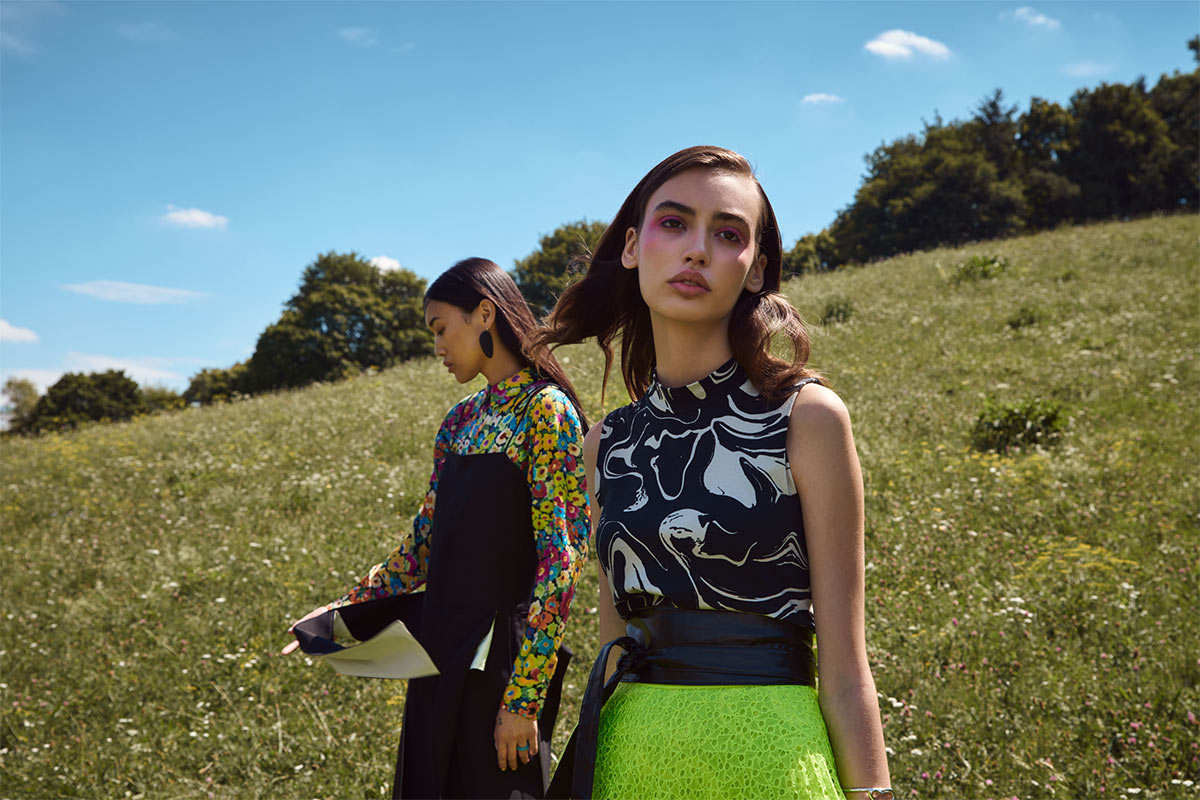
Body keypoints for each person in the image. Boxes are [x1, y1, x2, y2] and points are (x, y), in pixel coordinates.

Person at [533, 147, 893, 800]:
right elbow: (614, 646)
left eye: (728, 234)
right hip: (629, 762)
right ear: (633, 247)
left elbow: (845, 672)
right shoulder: (605, 445)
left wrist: (874, 793)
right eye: (674, 223)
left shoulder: (807, 417)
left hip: (774, 763)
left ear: (756, 270)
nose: (697, 250)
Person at [283, 257, 590, 800]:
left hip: (502, 669)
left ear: (485, 314)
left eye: (441, 329)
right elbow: (421, 549)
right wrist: (337, 614)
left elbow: (560, 562)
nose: (438, 347)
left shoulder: (546, 411)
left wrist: (523, 700)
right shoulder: (459, 421)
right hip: (437, 661)